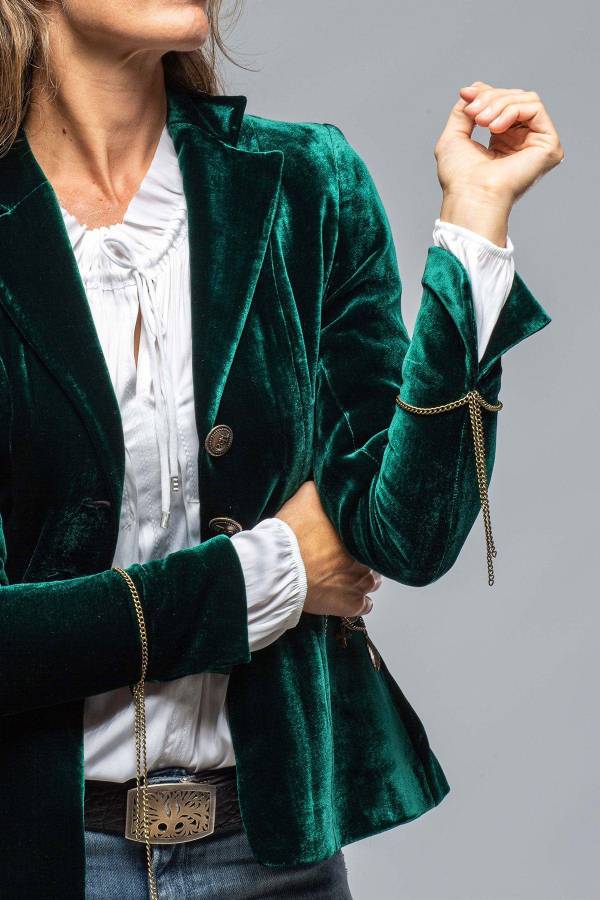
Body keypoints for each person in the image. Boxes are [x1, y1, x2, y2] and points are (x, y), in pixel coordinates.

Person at [0, 1, 563, 898]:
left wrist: (473, 225)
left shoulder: (305, 182)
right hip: (38, 859)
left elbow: (407, 534)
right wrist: (273, 572)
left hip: (271, 862)